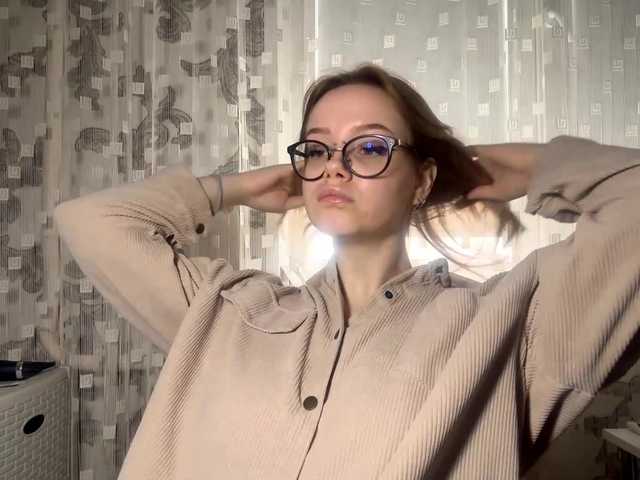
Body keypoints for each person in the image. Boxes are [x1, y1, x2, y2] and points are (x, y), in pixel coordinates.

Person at [53, 64, 640, 479]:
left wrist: (524, 167)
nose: (334, 167)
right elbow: (89, 221)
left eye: (370, 147)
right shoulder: (226, 309)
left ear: (423, 181)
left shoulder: (508, 329)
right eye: (317, 149)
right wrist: (233, 187)